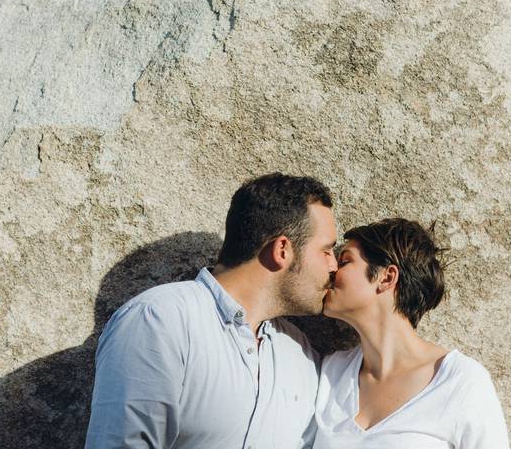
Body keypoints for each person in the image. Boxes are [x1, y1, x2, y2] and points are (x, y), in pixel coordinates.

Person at [85, 173, 340, 448]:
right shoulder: (161, 320)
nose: (334, 266)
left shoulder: (300, 352)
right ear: (282, 250)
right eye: (326, 251)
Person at [314, 218, 510, 448]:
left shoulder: (460, 381)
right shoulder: (331, 372)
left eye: (345, 261)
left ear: (386, 278)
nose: (332, 270)